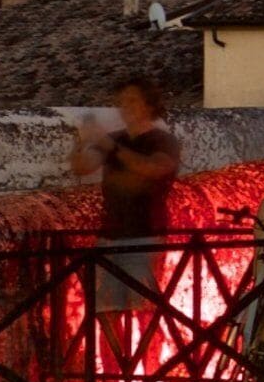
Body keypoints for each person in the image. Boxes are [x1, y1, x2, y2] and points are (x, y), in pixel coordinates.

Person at [70, 78, 185, 363]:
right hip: (110, 233)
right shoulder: (116, 140)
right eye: (122, 101)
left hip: (146, 232)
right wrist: (81, 142)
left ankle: (146, 376)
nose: (125, 107)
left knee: (146, 308)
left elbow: (151, 169)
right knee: (106, 308)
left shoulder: (162, 141)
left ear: (149, 104)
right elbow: (82, 167)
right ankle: (116, 374)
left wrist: (109, 146)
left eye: (132, 101)